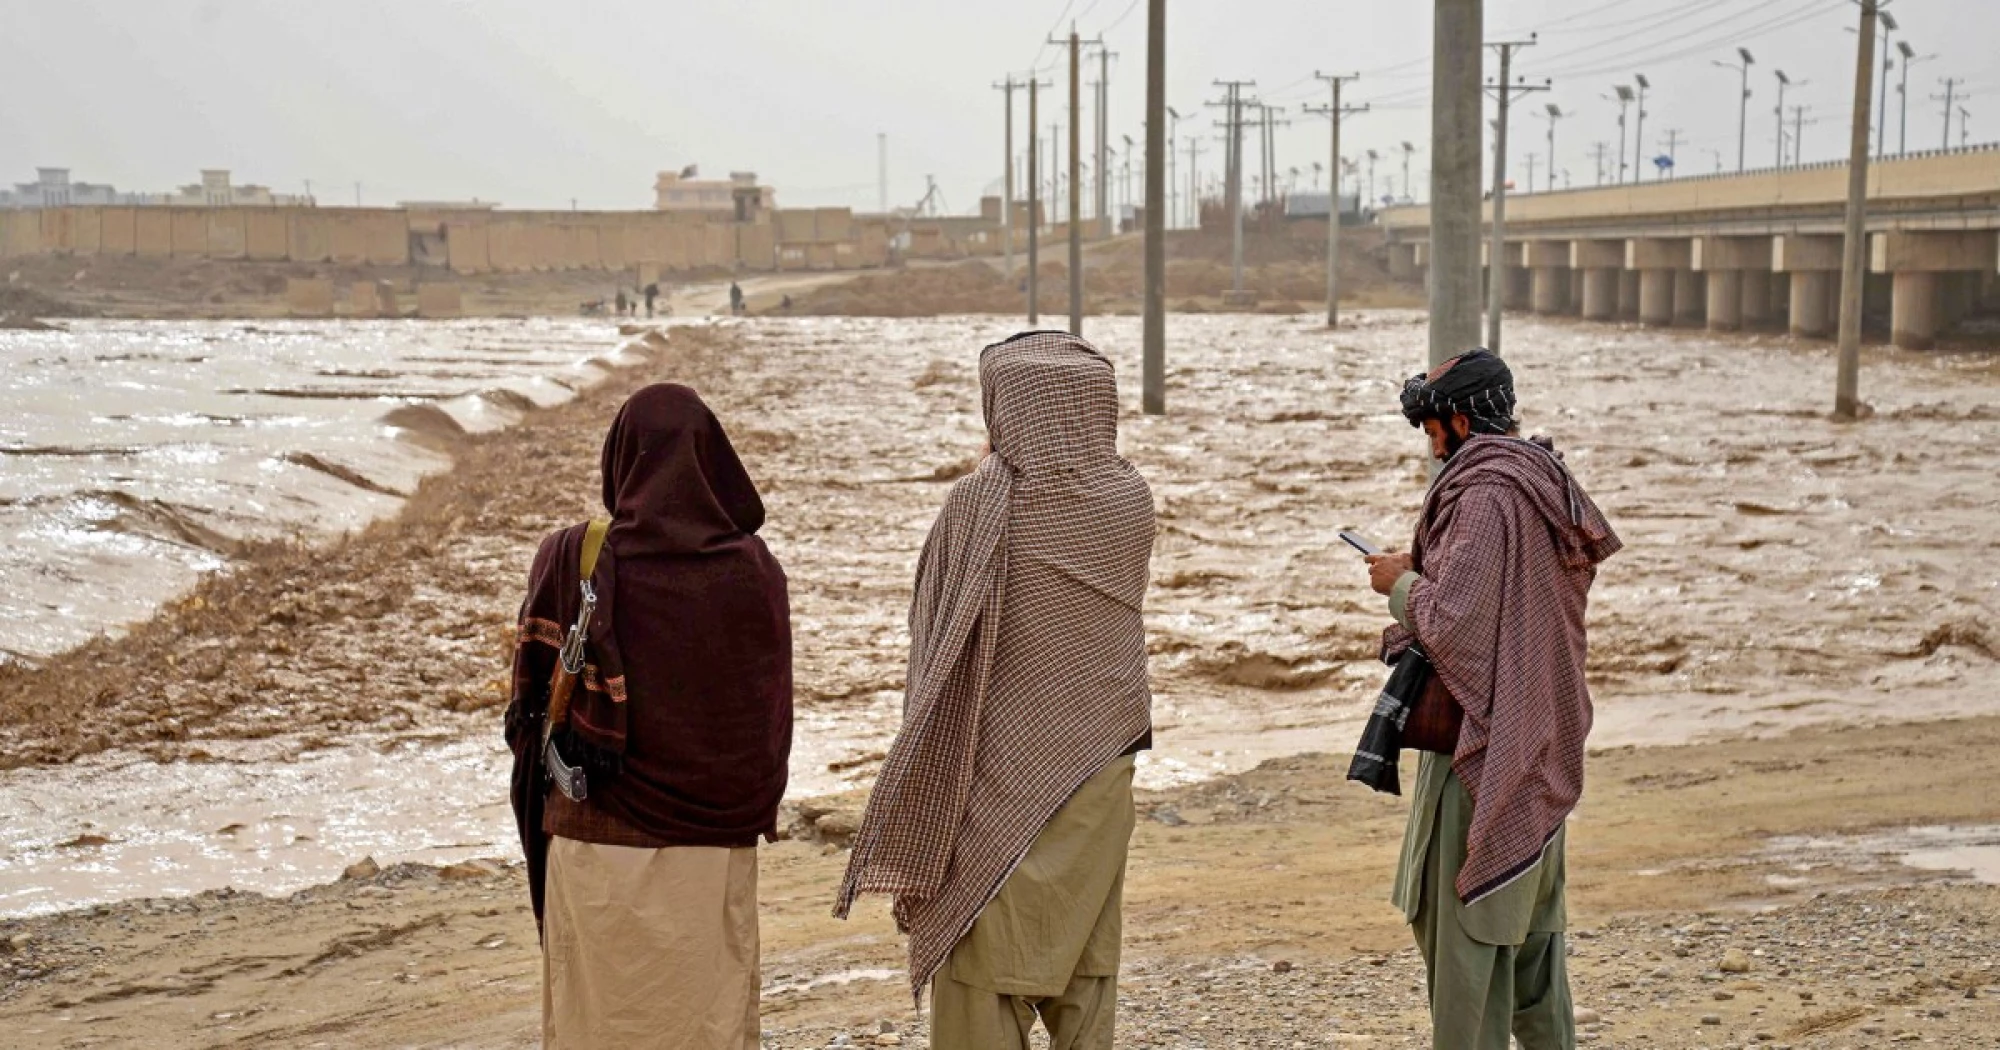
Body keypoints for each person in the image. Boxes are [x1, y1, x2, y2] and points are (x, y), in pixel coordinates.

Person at [836, 331, 1155, 1049]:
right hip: (1101, 756)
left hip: (995, 771)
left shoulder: (981, 502)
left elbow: (934, 635)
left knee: (981, 960)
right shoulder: (1130, 498)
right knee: (1084, 950)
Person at [505, 383, 792, 1050]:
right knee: (706, 1024)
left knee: (597, 1025)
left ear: (619, 459)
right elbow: (766, 726)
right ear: (714, 459)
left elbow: (528, 708)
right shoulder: (753, 572)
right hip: (711, 852)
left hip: (594, 842)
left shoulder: (570, 558)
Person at [1364, 349, 1620, 1050]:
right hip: (1542, 736)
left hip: (1484, 749)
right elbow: (1505, 597)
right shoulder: (1540, 477)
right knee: (1535, 952)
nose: (1431, 446)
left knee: (1467, 947)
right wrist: (1424, 570)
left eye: (1433, 429)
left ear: (1460, 419)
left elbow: (1456, 624)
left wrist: (1398, 584)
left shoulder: (1484, 494)